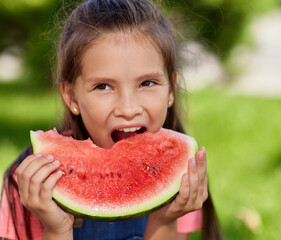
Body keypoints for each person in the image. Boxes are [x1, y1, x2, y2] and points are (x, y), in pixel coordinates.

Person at [0, 0, 222, 239]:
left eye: (147, 83)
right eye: (103, 86)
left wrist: (165, 218)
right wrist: (56, 229)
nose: (128, 108)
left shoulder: (184, 175)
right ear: (72, 96)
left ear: (170, 90)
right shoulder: (33, 181)